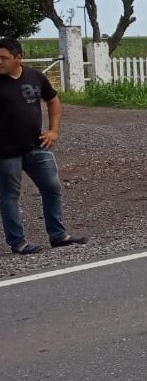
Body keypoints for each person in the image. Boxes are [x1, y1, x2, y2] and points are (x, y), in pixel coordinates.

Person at [0, 38, 86, 255]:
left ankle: (58, 236)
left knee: (52, 188)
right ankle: (18, 243)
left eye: (3, 58)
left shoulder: (35, 77)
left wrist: (53, 130)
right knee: (9, 195)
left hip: (36, 146)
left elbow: (53, 101)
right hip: (5, 152)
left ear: (19, 58)